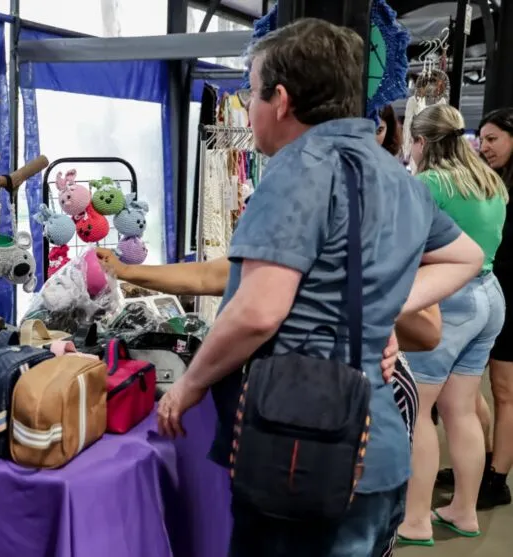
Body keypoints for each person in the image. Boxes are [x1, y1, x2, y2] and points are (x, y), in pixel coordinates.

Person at [149, 19, 483, 557]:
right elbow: (467, 256)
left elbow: (258, 312)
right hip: (378, 450)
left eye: (252, 92)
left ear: (280, 99)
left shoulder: (294, 171)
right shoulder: (395, 174)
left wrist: (188, 387)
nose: (250, 107)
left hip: (303, 455)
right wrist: (376, 308)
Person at [397, 105, 507, 544]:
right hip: (490, 296)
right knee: (462, 408)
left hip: (447, 300)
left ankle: (417, 519)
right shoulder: (489, 180)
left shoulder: (425, 184)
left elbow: (409, 246)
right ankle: (464, 510)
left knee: (421, 411)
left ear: (422, 143)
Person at [471, 107, 513, 509]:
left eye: (492, 139)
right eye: (481, 139)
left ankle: (498, 478)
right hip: (490, 292)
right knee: (466, 388)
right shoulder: (491, 182)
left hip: (509, 299)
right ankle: (481, 462)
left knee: (504, 392)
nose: (484, 147)